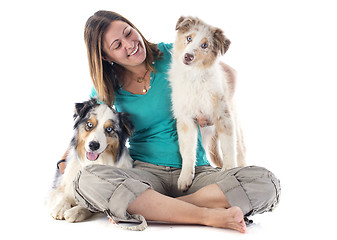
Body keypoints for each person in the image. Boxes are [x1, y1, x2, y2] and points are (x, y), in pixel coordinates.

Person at [58, 10, 280, 233]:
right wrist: (64, 159)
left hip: (196, 173)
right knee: (86, 180)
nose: (130, 44)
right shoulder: (107, 84)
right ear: (106, 57)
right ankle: (206, 214)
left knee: (265, 183)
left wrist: (212, 111)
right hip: (145, 174)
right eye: (117, 45)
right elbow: (89, 127)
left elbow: (229, 73)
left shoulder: (174, 53)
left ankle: (158, 207)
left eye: (128, 32)